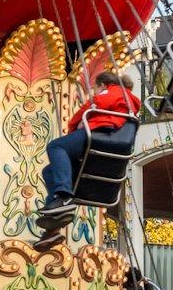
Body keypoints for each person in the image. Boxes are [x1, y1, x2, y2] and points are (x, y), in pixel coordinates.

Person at [39, 69, 142, 222]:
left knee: (56, 147)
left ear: (102, 85)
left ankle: (64, 196)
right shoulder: (127, 101)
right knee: (49, 171)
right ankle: (55, 213)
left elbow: (95, 103)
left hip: (98, 131)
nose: (94, 93)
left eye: (95, 89)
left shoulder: (114, 91)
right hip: (106, 135)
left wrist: (74, 125)